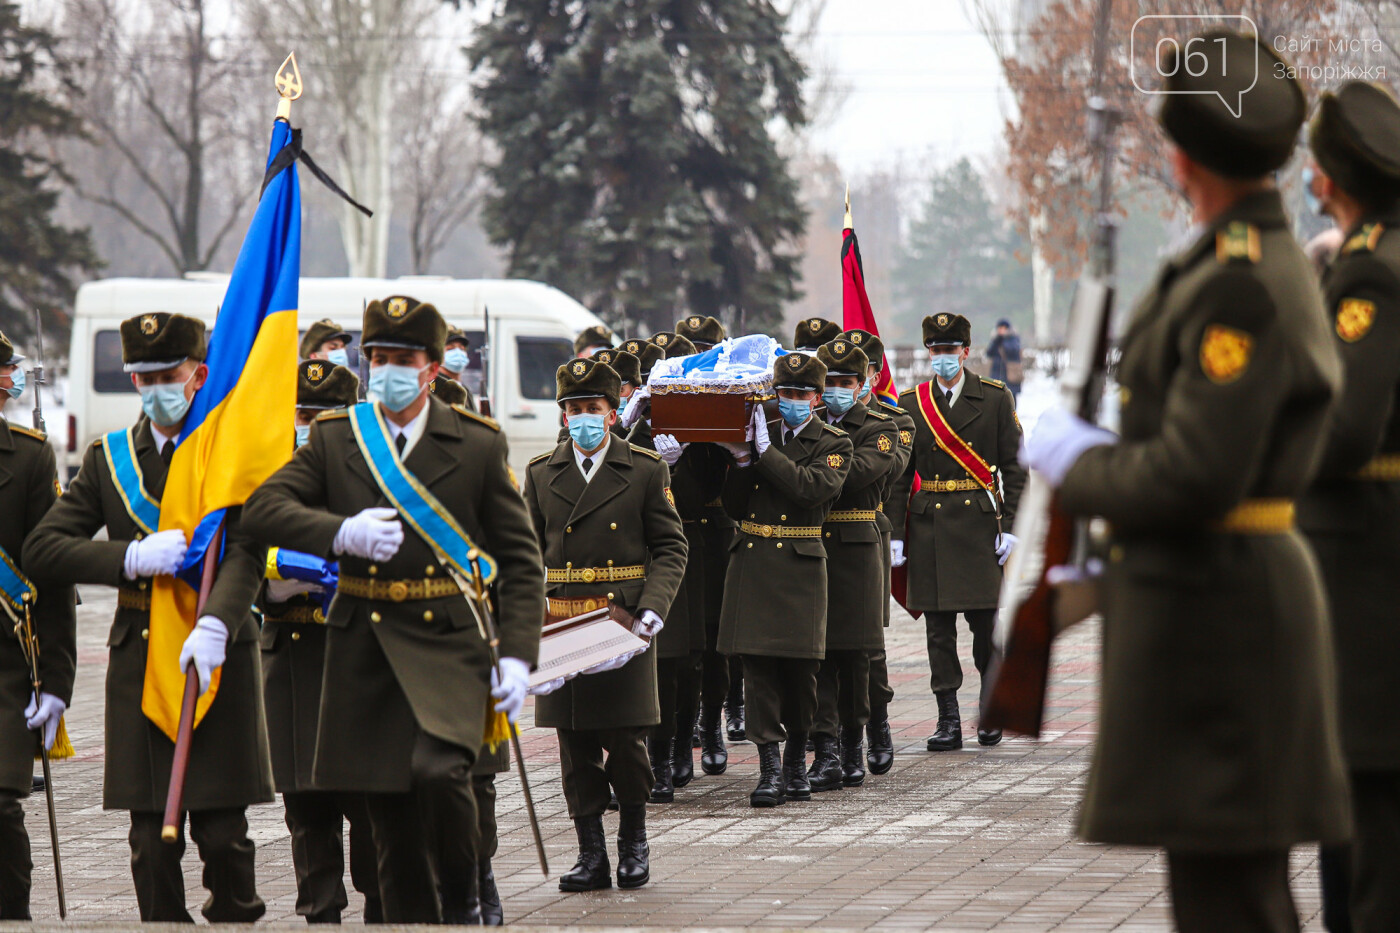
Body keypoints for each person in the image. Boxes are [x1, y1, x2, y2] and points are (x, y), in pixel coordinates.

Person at [1024, 31, 1352, 931]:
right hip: (1216, 610)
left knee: (1233, 902)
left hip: (1224, 623)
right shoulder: (1230, 263)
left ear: (1182, 154)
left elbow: (1194, 476)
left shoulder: (1238, 285)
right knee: (1228, 895)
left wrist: (1072, 457)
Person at [242, 295, 545, 924]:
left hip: (451, 645)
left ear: (432, 366)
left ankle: (462, 897)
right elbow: (263, 510)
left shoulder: (478, 444)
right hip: (364, 652)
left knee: (440, 775)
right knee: (390, 819)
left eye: (402, 358)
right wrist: (339, 530)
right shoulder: (334, 439)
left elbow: (520, 564)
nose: (386, 369)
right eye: (376, 357)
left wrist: (517, 658)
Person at [25, 312, 272, 922]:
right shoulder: (109, 459)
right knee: (148, 845)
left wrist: (217, 622)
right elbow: (44, 549)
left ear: (199, 375)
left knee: (224, 838)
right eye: (143, 376)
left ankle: (236, 916)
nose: (156, 387)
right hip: (140, 656)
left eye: (169, 374)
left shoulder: (227, 454)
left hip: (216, 652)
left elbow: (246, 549)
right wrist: (128, 556)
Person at [523, 357, 687, 891]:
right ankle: (590, 853)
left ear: (613, 414)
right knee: (575, 746)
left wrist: (652, 611)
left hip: (623, 625)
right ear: (563, 416)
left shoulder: (643, 468)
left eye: (593, 408)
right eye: (573, 410)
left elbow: (670, 546)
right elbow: (524, 555)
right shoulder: (541, 472)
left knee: (626, 741)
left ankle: (633, 843)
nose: (583, 418)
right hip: (565, 620)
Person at [1302, 80, 1400, 933]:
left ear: (1333, 177)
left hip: (1367, 571)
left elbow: (1343, 428)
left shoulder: (1371, 266)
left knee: (1367, 842)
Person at [262, 360, 380, 924]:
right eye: (300, 414)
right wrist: (280, 570)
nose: (306, 424)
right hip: (289, 649)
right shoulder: (271, 474)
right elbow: (245, 546)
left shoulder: (371, 471)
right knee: (303, 799)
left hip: (353, 652)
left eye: (319, 415)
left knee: (367, 797)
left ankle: (380, 898)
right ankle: (319, 908)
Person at [716, 352, 852, 807]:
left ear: (816, 398)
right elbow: (735, 507)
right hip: (753, 562)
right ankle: (769, 768)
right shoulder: (758, 436)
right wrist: (739, 463)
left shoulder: (835, 442)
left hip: (800, 566)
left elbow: (811, 489)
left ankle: (796, 761)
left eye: (800, 394)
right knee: (757, 672)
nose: (791, 401)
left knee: (801, 673)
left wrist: (766, 455)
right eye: (784, 393)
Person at [887, 312, 1025, 752]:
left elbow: (1016, 470)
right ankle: (948, 717)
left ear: (966, 351)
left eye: (950, 350)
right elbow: (897, 477)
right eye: (936, 350)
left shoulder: (996, 399)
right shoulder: (911, 404)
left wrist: (1011, 527)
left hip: (980, 525)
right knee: (938, 630)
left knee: (986, 626)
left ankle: (990, 708)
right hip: (929, 526)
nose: (943, 358)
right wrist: (895, 534)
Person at [0, 331, 75, 920]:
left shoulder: (28, 457)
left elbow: (50, 577)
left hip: (4, 666)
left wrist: (54, 681)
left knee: (1, 806)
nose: (10, 379)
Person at [806, 339, 898, 791]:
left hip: (857, 546)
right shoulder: (811, 425)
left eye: (846, 383)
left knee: (856, 655)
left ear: (863, 385)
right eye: (830, 383)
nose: (837, 391)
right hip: (815, 545)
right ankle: (825, 750)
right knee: (818, 653)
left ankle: (855, 742)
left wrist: (811, 468)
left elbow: (853, 475)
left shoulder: (881, 428)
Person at [839, 328, 915, 776]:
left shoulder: (893, 421)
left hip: (865, 533)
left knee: (868, 647)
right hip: (823, 537)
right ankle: (833, 738)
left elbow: (888, 473)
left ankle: (878, 724)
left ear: (873, 373)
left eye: (860, 370)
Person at [673, 314, 740, 769]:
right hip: (676, 538)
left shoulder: (730, 397)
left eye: (706, 351)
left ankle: (712, 725)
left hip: (716, 536)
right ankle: (677, 740)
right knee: (683, 647)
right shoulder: (665, 400)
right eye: (690, 351)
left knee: (716, 643)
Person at [439, 326, 480, 411]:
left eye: (462, 349)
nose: (458, 353)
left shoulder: (464, 389)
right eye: (450, 349)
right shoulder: (435, 386)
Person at [984, 319, 1022, 399]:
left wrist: (1004, 338)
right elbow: (989, 352)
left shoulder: (1013, 339)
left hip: (1010, 374)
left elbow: (1012, 350)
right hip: (997, 373)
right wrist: (997, 340)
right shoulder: (996, 340)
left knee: (1011, 398)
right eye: (1000, 328)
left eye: (1004, 328)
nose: (1002, 330)